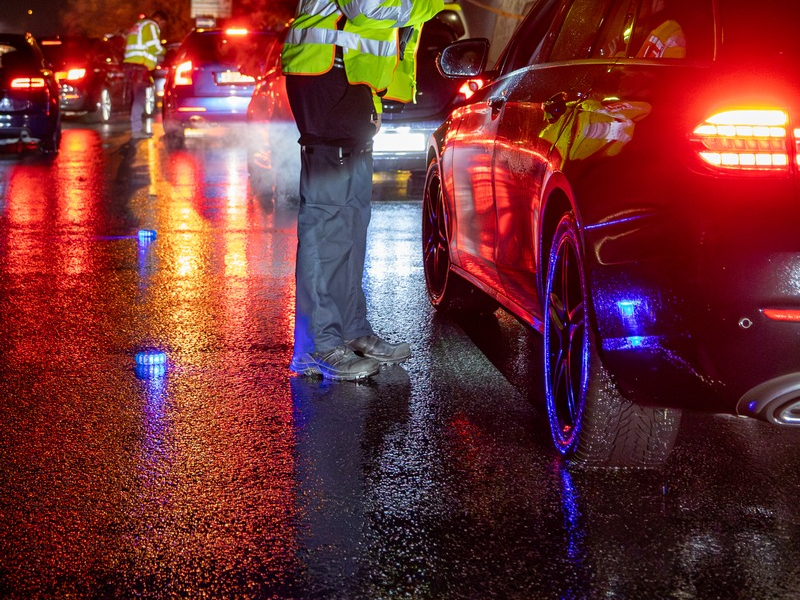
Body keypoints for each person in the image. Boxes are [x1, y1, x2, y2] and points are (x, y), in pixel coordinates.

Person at [281, 0, 444, 381]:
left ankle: (350, 330)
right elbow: (366, 7)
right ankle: (316, 347)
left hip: (350, 79)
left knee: (353, 215)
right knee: (327, 220)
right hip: (327, 78)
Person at [123, 10, 168, 139]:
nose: (162, 27)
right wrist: (166, 51)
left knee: (136, 98)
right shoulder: (151, 25)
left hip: (132, 66)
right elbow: (153, 46)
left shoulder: (138, 25)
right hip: (140, 67)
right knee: (139, 98)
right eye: (163, 24)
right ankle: (136, 130)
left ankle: (136, 129)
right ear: (160, 20)